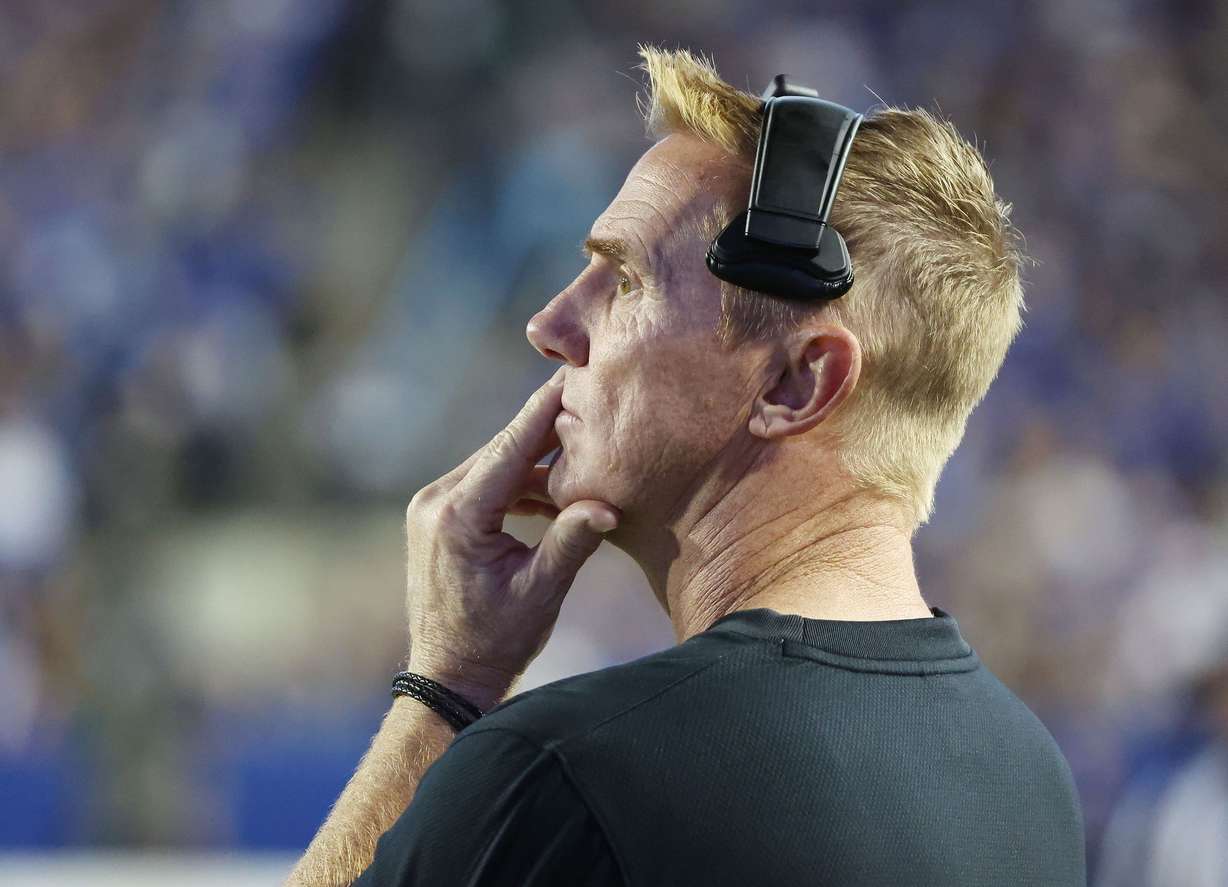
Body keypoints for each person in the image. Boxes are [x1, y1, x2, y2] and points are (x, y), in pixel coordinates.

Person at [287, 47, 1086, 886]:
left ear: (796, 380)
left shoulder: (563, 775)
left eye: (625, 279)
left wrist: (446, 688)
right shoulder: (1030, 777)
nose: (552, 324)